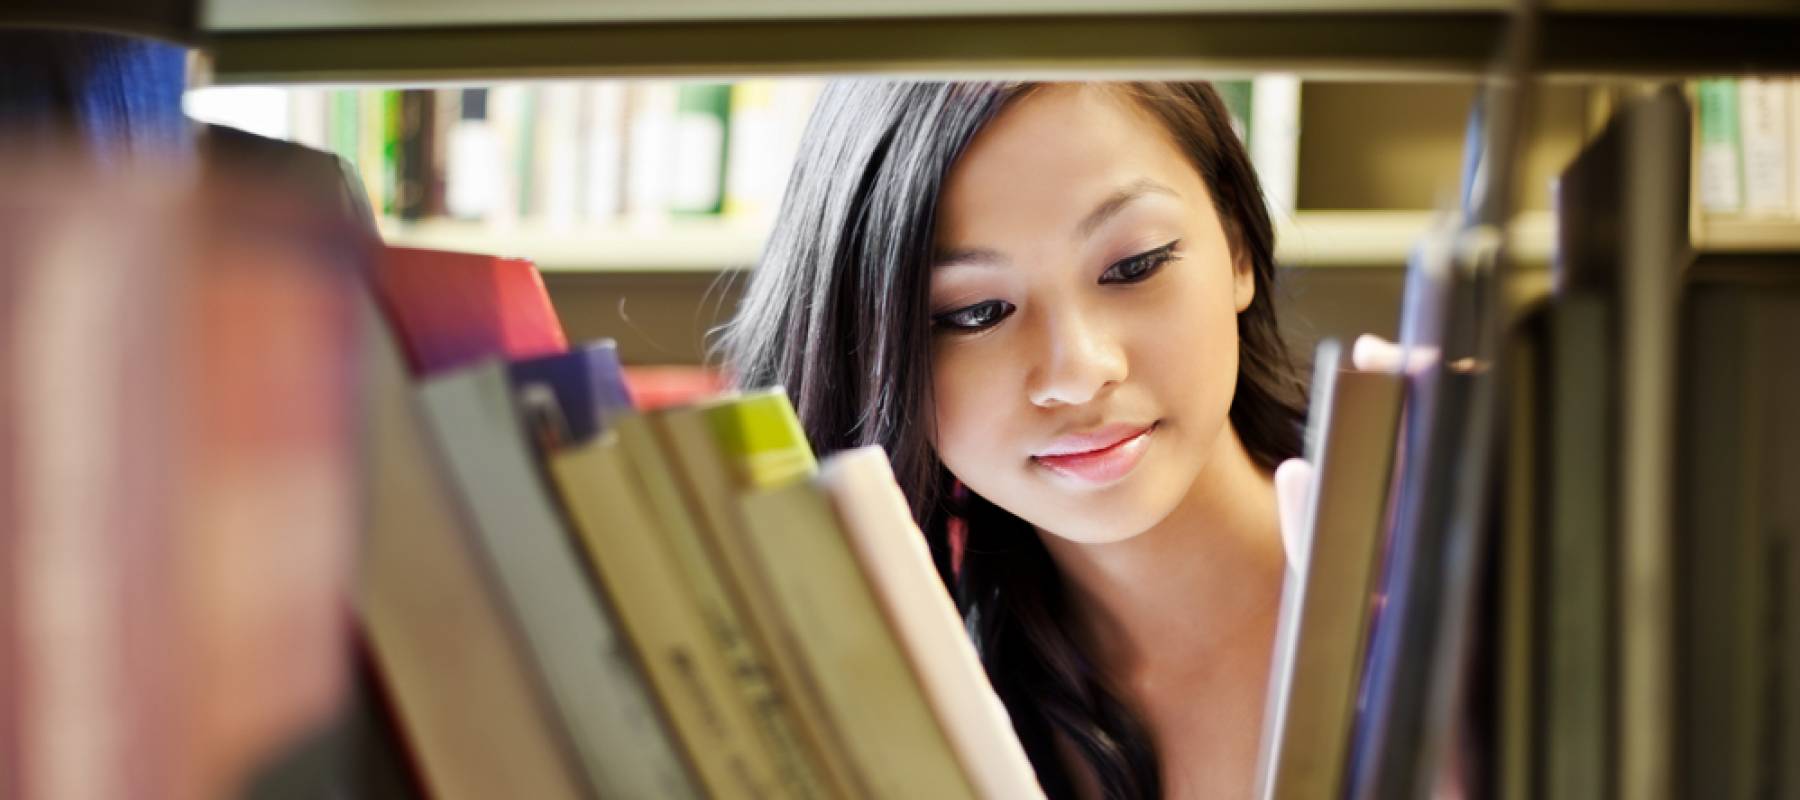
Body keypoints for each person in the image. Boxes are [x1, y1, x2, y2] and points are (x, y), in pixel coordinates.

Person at [719, 81, 1314, 798]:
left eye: (1135, 266)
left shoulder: (1449, 591)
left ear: (1238, 249)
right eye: (974, 314)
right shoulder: (900, 708)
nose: (1079, 371)